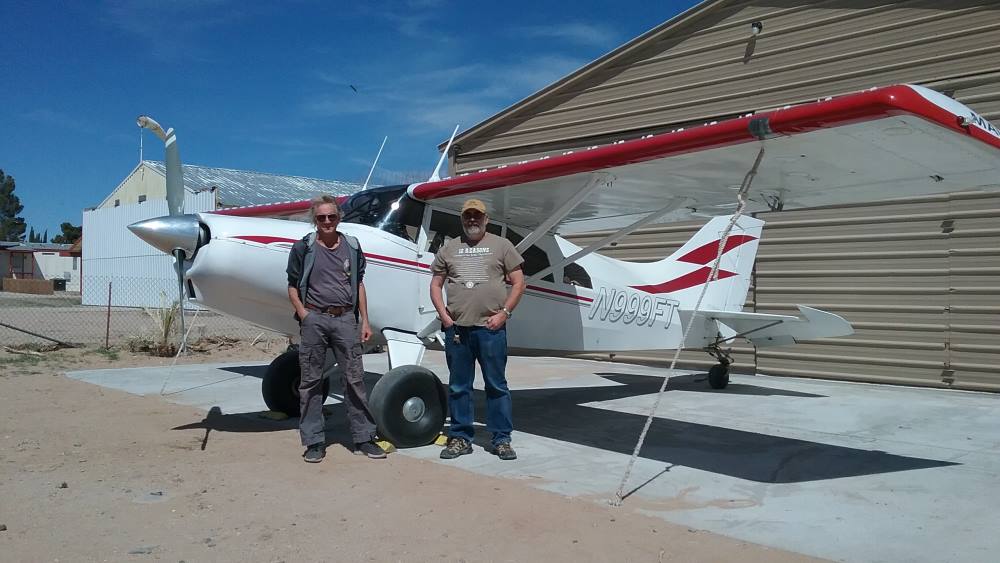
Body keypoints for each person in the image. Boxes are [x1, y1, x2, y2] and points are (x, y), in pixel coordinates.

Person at [286, 195, 386, 463]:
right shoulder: (303, 248)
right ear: (315, 220)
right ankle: (314, 441)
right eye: (321, 218)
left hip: (345, 320)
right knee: (310, 382)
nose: (327, 221)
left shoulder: (352, 246)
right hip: (314, 320)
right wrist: (305, 314)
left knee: (354, 379)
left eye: (331, 216)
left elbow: (359, 284)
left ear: (339, 218)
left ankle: (364, 437)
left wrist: (364, 320)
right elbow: (292, 285)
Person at [430, 198, 526, 461]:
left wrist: (504, 314)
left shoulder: (502, 245)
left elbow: (518, 283)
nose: (472, 220)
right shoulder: (449, 248)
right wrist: (444, 317)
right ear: (462, 219)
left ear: (486, 219)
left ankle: (501, 439)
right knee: (460, 386)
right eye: (467, 216)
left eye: (477, 216)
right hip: (457, 330)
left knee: (496, 385)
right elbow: (436, 284)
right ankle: (461, 437)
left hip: (490, 329)